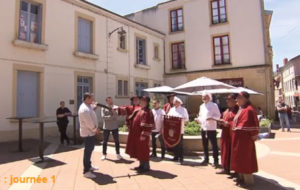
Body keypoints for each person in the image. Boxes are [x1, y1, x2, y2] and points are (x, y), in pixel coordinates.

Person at [231, 91, 259, 185]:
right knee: (239, 159)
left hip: (245, 140)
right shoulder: (241, 109)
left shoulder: (249, 110)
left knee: (245, 159)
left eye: (238, 98)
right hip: (238, 139)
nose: (236, 100)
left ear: (244, 99)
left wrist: (254, 135)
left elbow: (253, 125)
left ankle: (248, 181)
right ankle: (241, 178)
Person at [125, 96, 154, 173]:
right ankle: (141, 165)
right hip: (137, 135)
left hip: (142, 136)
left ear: (147, 103)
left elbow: (148, 125)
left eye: (143, 101)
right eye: (141, 101)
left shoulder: (148, 112)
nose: (141, 102)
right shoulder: (139, 110)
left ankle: (146, 167)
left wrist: (144, 135)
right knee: (139, 151)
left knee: (144, 151)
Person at [195, 92, 221, 167]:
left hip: (211, 128)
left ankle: (216, 160)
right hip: (204, 127)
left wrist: (212, 118)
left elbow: (218, 115)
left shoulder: (214, 105)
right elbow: (200, 116)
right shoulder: (201, 106)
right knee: (204, 144)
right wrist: (198, 119)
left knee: (214, 145)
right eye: (202, 96)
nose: (204, 98)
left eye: (205, 96)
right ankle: (206, 159)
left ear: (209, 97)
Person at [78, 93, 100, 179]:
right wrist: (95, 129)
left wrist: (94, 107)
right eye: (91, 98)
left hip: (90, 133)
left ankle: (89, 166)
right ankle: (86, 171)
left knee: (90, 150)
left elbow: (91, 112)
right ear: (87, 98)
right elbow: (88, 123)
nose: (93, 100)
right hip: (88, 133)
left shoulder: (88, 106)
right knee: (88, 151)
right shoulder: (84, 109)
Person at [216, 94, 239, 175]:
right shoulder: (226, 111)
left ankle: (235, 170)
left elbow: (238, 122)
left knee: (232, 152)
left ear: (234, 101)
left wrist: (228, 124)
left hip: (233, 136)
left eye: (229, 100)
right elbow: (222, 119)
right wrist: (220, 122)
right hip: (225, 135)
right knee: (225, 151)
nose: (227, 101)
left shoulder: (238, 111)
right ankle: (225, 168)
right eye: (227, 100)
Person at [167, 96, 189, 164]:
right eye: (175, 102)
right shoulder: (172, 109)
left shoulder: (183, 109)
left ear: (180, 103)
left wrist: (180, 119)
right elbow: (168, 117)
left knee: (180, 144)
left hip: (180, 129)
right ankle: (176, 156)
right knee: (174, 143)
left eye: (177, 102)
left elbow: (186, 119)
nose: (176, 103)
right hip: (173, 130)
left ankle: (181, 158)